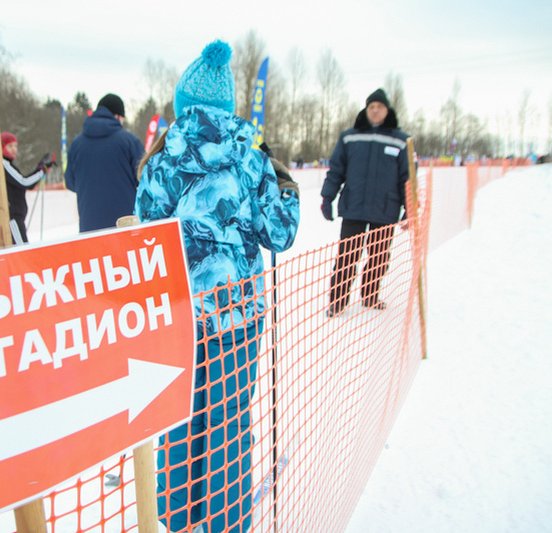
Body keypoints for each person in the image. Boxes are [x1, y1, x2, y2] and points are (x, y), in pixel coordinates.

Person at [135, 40, 299, 533]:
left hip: (178, 314)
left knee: (178, 422)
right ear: (227, 104)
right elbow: (279, 234)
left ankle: (176, 517)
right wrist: (285, 187)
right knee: (229, 423)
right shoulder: (251, 156)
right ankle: (225, 522)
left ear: (183, 103)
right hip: (237, 314)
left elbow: (143, 233)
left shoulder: (163, 158)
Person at [320, 88, 411, 316]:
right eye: (371, 106)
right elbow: (336, 170)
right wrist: (327, 197)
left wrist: (409, 206)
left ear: (387, 110)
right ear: (366, 109)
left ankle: (370, 296)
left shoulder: (401, 140)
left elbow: (408, 177)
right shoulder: (349, 137)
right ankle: (337, 302)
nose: (375, 110)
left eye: (380, 107)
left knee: (379, 258)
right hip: (354, 207)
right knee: (347, 257)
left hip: (385, 209)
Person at [64, 93, 144, 232]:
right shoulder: (129, 141)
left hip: (90, 230)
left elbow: (70, 183)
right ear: (118, 116)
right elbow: (145, 178)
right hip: (124, 227)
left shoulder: (76, 144)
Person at [1, 131, 53, 244]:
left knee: (22, 250)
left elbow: (24, 183)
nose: (14, 149)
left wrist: (40, 170)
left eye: (15, 146)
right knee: (22, 251)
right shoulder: (3, 164)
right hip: (13, 218)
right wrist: (41, 170)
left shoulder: (8, 164)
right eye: (10, 146)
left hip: (17, 218)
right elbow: (24, 182)